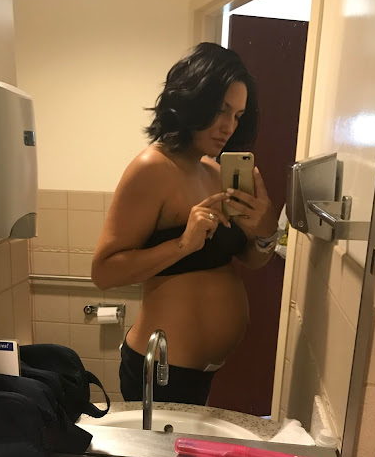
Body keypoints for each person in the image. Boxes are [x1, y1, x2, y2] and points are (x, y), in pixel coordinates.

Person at [92, 42, 278, 405]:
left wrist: (264, 232)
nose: (228, 127)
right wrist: (182, 245)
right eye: (221, 111)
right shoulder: (152, 168)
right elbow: (103, 272)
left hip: (204, 371)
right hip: (163, 371)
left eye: (238, 116)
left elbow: (248, 259)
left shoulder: (214, 170)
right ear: (192, 99)